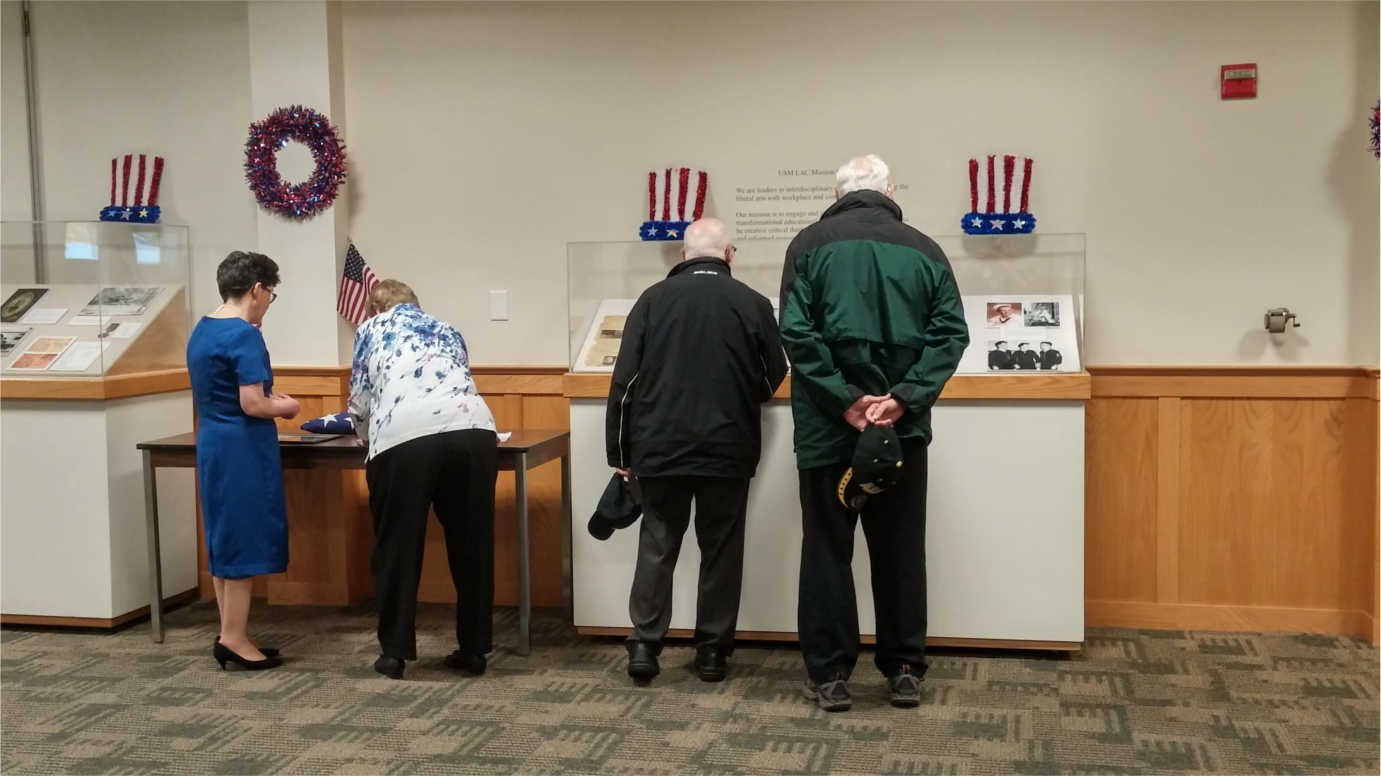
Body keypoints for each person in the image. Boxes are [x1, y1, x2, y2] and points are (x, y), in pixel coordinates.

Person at [779, 155, 969, 711]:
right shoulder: (925, 248)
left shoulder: (807, 244)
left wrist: (846, 402)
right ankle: (905, 668)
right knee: (901, 550)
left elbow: (796, 331)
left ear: (837, 193)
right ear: (889, 190)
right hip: (901, 433)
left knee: (826, 551)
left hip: (826, 433)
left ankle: (831, 675)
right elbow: (951, 334)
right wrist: (901, 400)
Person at [607, 218, 787, 684]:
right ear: (729, 254)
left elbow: (624, 384)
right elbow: (774, 373)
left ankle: (645, 647)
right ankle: (712, 651)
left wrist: (620, 454)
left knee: (658, 545)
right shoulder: (752, 302)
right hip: (728, 447)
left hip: (659, 448)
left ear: (681, 256)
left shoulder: (651, 301)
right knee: (722, 549)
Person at [348, 280, 498, 681]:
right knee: (472, 544)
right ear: (416, 305)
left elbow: (362, 397)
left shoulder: (371, 329)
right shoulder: (448, 329)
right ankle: (473, 650)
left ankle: (395, 654)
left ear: (374, 309)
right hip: (473, 431)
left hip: (405, 436)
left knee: (398, 545)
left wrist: (361, 430)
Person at [187, 251, 300, 671]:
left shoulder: (202, 329)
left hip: (213, 442)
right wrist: (287, 407)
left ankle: (230, 631)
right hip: (243, 448)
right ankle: (233, 638)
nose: (269, 301)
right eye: (271, 293)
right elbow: (253, 404)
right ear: (256, 289)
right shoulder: (243, 335)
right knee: (244, 539)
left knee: (225, 538)